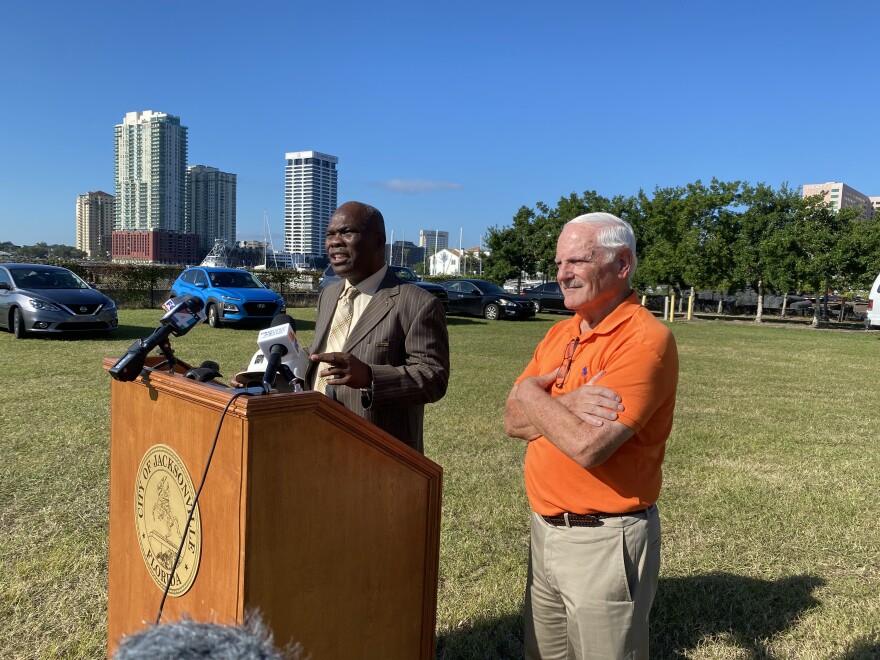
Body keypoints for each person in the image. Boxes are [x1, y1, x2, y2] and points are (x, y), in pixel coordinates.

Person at [504, 212, 679, 659]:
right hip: (545, 533)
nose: (562, 273)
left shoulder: (645, 341)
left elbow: (587, 447)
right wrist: (563, 403)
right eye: (560, 262)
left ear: (622, 264)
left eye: (577, 261)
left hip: (604, 541)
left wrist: (532, 394)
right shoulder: (561, 333)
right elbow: (512, 421)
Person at [306, 201, 450, 453]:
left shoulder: (417, 302)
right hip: (318, 436)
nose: (335, 241)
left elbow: (433, 377)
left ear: (378, 240)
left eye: (347, 232)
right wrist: (269, 369)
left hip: (379, 449)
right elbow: (321, 351)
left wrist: (370, 377)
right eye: (330, 234)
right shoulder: (328, 295)